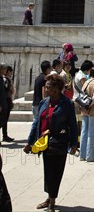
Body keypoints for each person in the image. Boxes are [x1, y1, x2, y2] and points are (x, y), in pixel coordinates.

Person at [23, 74, 78, 212]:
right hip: (45, 143)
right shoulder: (44, 102)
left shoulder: (67, 104)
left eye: (48, 87)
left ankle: (52, 201)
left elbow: (73, 124)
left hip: (59, 142)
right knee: (48, 171)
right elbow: (36, 123)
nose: (46, 89)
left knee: (56, 171)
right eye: (45, 86)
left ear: (56, 89)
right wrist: (30, 142)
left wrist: (74, 143)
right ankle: (49, 197)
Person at [79, 66, 94, 162]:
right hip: (93, 110)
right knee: (91, 133)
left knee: (84, 132)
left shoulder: (86, 82)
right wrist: (89, 105)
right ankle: (90, 156)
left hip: (84, 109)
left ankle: (83, 154)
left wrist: (85, 106)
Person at [1, 65, 15, 143]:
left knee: (4, 120)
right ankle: (5, 135)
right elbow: (9, 91)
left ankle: (5, 135)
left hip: (6, 100)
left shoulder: (3, 79)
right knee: (4, 120)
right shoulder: (6, 80)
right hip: (6, 101)